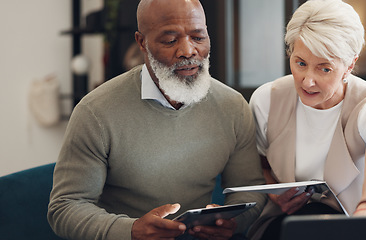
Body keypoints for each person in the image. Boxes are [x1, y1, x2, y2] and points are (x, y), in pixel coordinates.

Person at [47, 0, 267, 239]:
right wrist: (131, 231)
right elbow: (65, 208)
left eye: (198, 37)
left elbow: (250, 191)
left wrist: (232, 222)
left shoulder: (233, 106)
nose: (188, 51)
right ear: (142, 42)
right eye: (171, 40)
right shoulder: (95, 112)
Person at [247, 0, 366, 239]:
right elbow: (261, 164)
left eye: (324, 68)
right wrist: (275, 195)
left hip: (355, 226)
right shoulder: (267, 99)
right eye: (300, 63)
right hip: (285, 226)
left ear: (350, 64)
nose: (307, 81)